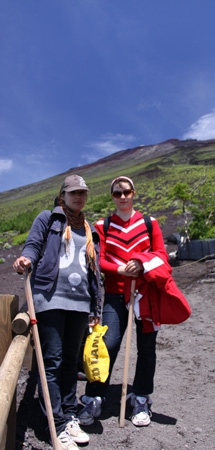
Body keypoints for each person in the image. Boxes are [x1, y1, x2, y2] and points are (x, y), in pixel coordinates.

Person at [80, 176, 185, 428]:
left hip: (145, 294)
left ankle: (140, 397)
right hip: (115, 295)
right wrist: (121, 269)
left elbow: (161, 255)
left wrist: (140, 262)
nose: (123, 196)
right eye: (117, 193)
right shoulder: (102, 225)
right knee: (108, 344)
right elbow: (99, 258)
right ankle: (94, 395)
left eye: (126, 191)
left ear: (134, 193)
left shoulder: (150, 223)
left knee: (147, 349)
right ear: (112, 196)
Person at [13, 175, 101, 450]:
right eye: (73, 192)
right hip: (49, 299)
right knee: (51, 360)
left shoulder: (89, 228)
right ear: (62, 195)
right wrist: (26, 258)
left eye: (83, 193)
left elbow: (93, 269)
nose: (79, 197)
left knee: (70, 362)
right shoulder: (47, 219)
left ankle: (68, 414)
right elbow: (33, 244)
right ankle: (57, 423)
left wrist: (95, 305)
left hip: (79, 302)